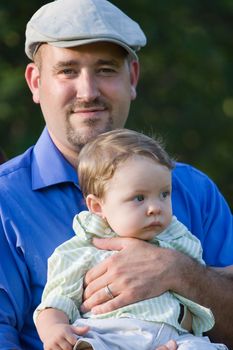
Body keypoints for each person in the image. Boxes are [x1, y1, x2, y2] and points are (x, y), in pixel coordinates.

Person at [0, 0, 232, 349]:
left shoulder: (194, 191)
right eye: (67, 71)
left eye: (106, 69)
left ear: (132, 78)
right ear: (35, 82)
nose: (88, 91)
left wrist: (178, 271)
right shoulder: (5, 202)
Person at [34, 128, 227, 350]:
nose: (155, 207)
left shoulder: (180, 240)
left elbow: (198, 294)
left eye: (164, 194)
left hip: (174, 338)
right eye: (139, 198)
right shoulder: (83, 248)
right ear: (97, 206)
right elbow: (57, 299)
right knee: (88, 343)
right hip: (112, 334)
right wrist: (54, 329)